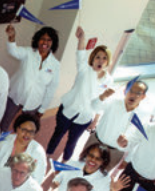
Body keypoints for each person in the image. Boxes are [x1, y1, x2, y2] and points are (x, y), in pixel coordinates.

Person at [46, 27, 114, 161]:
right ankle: (46, 156)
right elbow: (80, 53)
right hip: (68, 109)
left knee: (72, 142)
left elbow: (100, 104)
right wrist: (81, 39)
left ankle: (63, 164)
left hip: (85, 116)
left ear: (107, 61)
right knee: (57, 135)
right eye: (98, 57)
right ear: (93, 58)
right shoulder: (84, 69)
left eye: (104, 58)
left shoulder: (108, 80)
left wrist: (95, 120)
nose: (100, 60)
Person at [0, 25, 61, 132]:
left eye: (49, 40)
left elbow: (51, 89)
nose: (45, 42)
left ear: (53, 43)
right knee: (4, 124)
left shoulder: (55, 65)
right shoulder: (28, 52)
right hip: (15, 96)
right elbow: (13, 51)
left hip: (34, 102)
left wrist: (43, 108)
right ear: (37, 40)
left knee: (25, 129)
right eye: (42, 39)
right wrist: (12, 37)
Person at [81, 80, 148, 170]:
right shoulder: (113, 102)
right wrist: (103, 96)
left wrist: (127, 160)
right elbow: (94, 106)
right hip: (95, 143)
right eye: (131, 91)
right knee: (81, 169)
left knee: (99, 179)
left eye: (138, 93)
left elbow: (138, 140)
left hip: (114, 153)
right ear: (125, 91)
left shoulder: (143, 115)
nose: (133, 95)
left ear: (143, 96)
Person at [51, 142, 130, 191]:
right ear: (86, 155)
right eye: (91, 155)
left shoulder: (105, 181)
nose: (93, 160)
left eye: (98, 158)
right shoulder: (73, 163)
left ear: (103, 162)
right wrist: (56, 181)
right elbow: (59, 177)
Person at [0, 112, 47, 183]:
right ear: (17, 128)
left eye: (31, 132)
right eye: (24, 130)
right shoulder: (5, 139)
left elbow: (38, 180)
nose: (27, 134)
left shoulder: (38, 153)